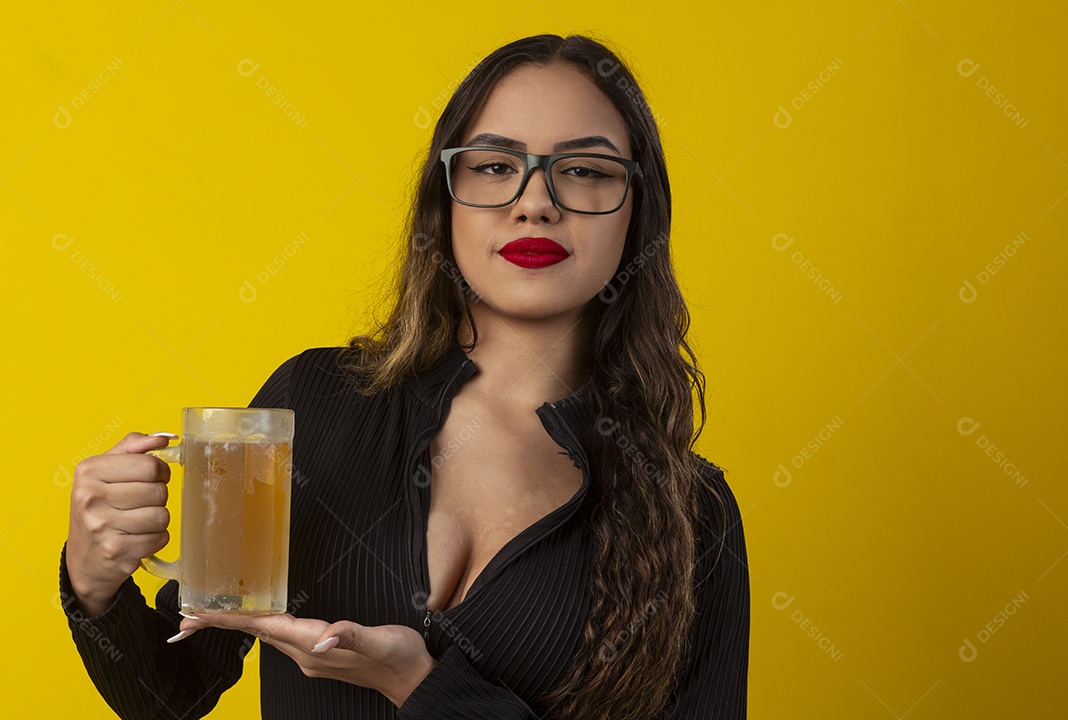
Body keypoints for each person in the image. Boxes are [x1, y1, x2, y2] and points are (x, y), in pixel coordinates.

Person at [59, 33, 750, 719]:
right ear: (443, 200)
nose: (535, 202)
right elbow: (169, 693)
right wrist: (95, 584)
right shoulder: (313, 406)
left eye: (585, 171)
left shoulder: (696, 517)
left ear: (638, 212)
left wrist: (422, 689)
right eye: (494, 166)